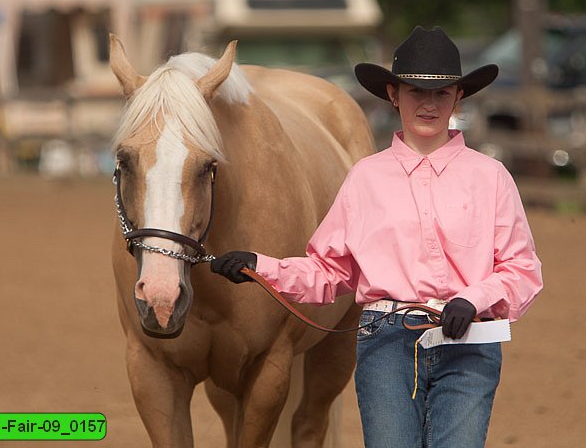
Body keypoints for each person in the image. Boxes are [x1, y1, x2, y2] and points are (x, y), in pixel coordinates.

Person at [211, 26, 543, 447]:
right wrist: (261, 267)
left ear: (458, 97)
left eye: (442, 93)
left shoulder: (491, 177)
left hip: (469, 346)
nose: (428, 103)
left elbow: (522, 269)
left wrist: (472, 299)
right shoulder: (365, 178)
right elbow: (332, 272)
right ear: (393, 94)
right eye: (415, 91)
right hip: (386, 344)